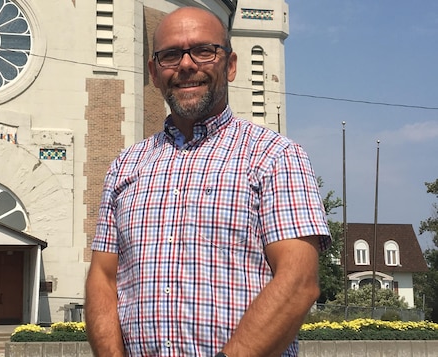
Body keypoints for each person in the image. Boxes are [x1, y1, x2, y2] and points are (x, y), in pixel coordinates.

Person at [85, 6, 331, 357]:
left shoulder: (274, 156)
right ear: (154, 73)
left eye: (203, 50)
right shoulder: (125, 166)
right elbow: (102, 278)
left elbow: (298, 283)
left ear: (230, 65)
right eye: (171, 55)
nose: (186, 65)